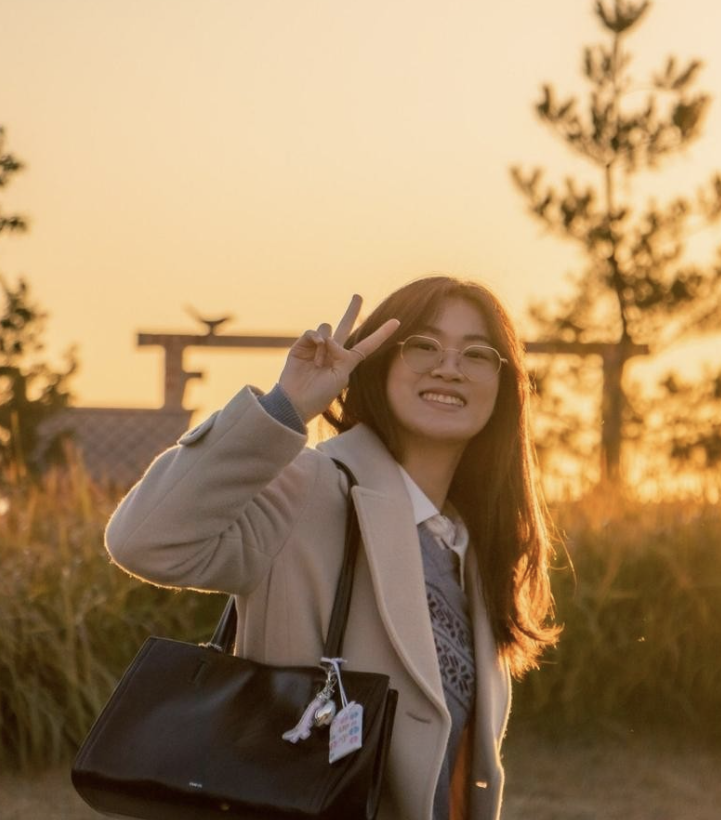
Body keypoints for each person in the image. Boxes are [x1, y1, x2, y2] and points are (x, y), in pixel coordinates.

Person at [105, 275, 559, 820]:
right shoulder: (313, 485)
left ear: (505, 387)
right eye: (424, 345)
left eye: (478, 353)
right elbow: (145, 540)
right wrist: (284, 409)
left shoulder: (474, 540)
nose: (449, 366)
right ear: (380, 362)